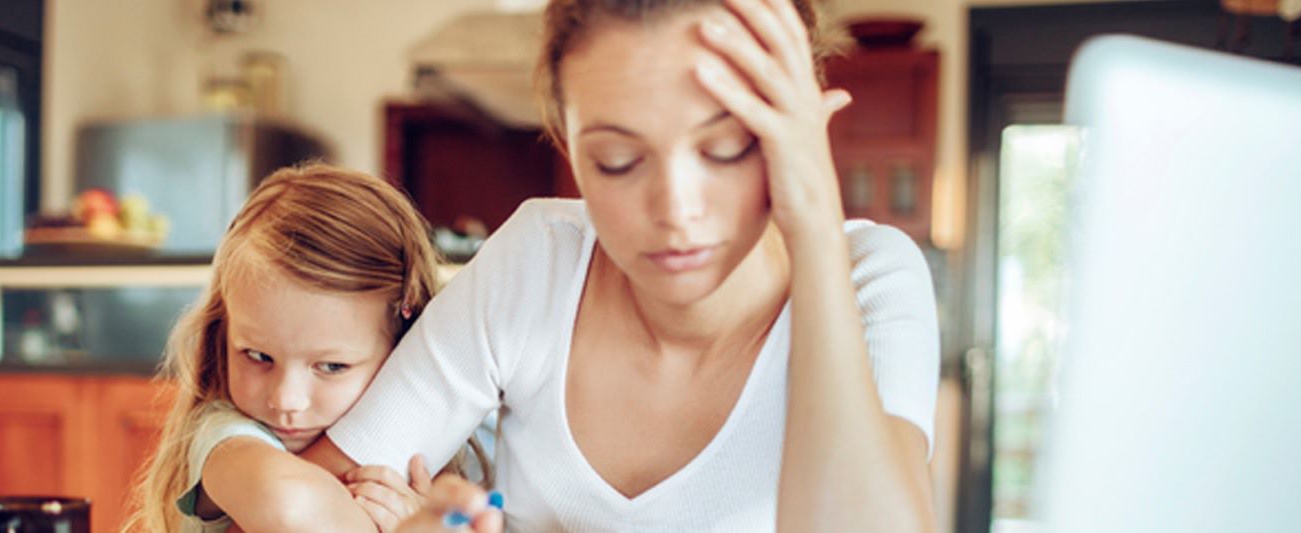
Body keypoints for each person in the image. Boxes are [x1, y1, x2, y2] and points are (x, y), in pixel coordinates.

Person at [301, 0, 941, 531]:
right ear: (565, 141)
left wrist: (816, 233)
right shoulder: (538, 260)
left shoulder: (866, 279)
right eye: (617, 161)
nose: (677, 211)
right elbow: (301, 498)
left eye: (725, 147)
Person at [125, 164, 485, 533]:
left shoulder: (436, 446)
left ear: (402, 342)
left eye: (331, 367)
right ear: (224, 331)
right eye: (258, 356)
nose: (286, 400)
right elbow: (288, 506)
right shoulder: (225, 437)